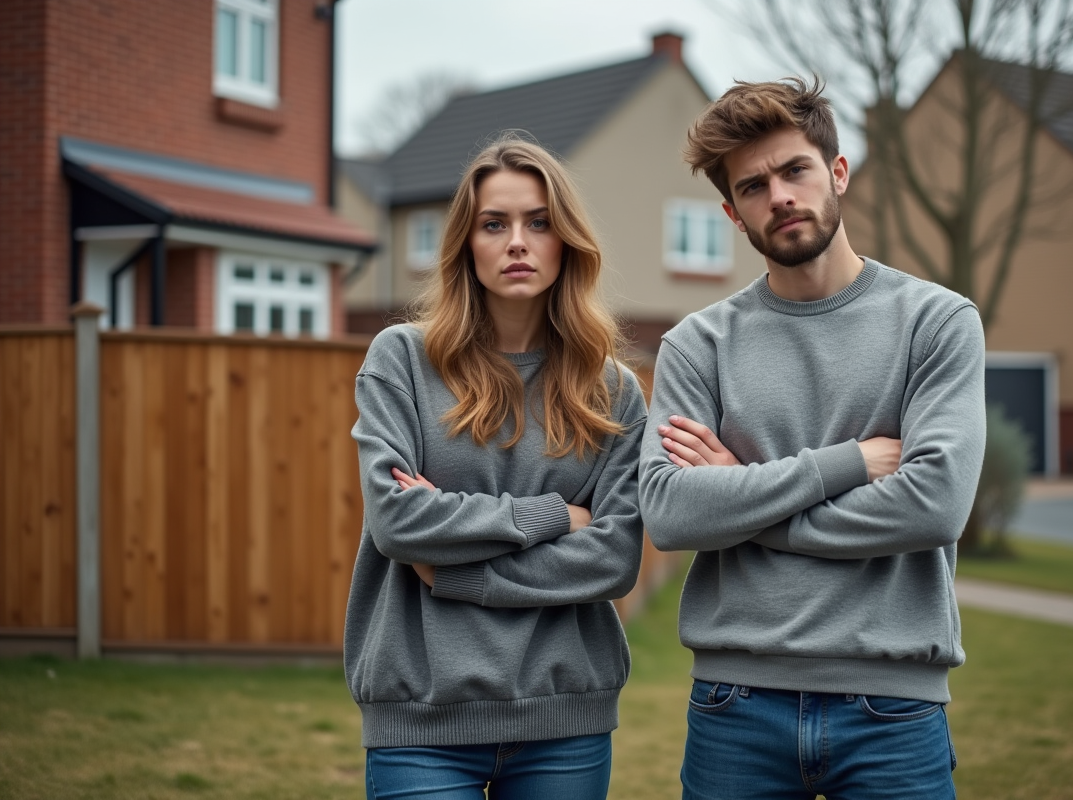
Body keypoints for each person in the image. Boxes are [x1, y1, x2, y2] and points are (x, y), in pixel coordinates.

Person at [639, 77, 986, 799]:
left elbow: (934, 506)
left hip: (893, 706)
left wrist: (740, 500)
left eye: (794, 170)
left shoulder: (938, 323)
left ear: (836, 172)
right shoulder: (696, 345)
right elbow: (672, 515)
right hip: (736, 703)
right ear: (734, 215)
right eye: (755, 187)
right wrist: (848, 463)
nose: (780, 196)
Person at [344, 134, 647, 800]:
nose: (518, 241)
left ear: (567, 241)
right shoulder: (403, 361)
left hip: (565, 717)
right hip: (421, 718)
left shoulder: (614, 391)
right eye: (494, 224)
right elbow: (397, 522)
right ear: (466, 244)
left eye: (539, 222)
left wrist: (454, 571)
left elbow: (613, 558)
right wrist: (555, 516)